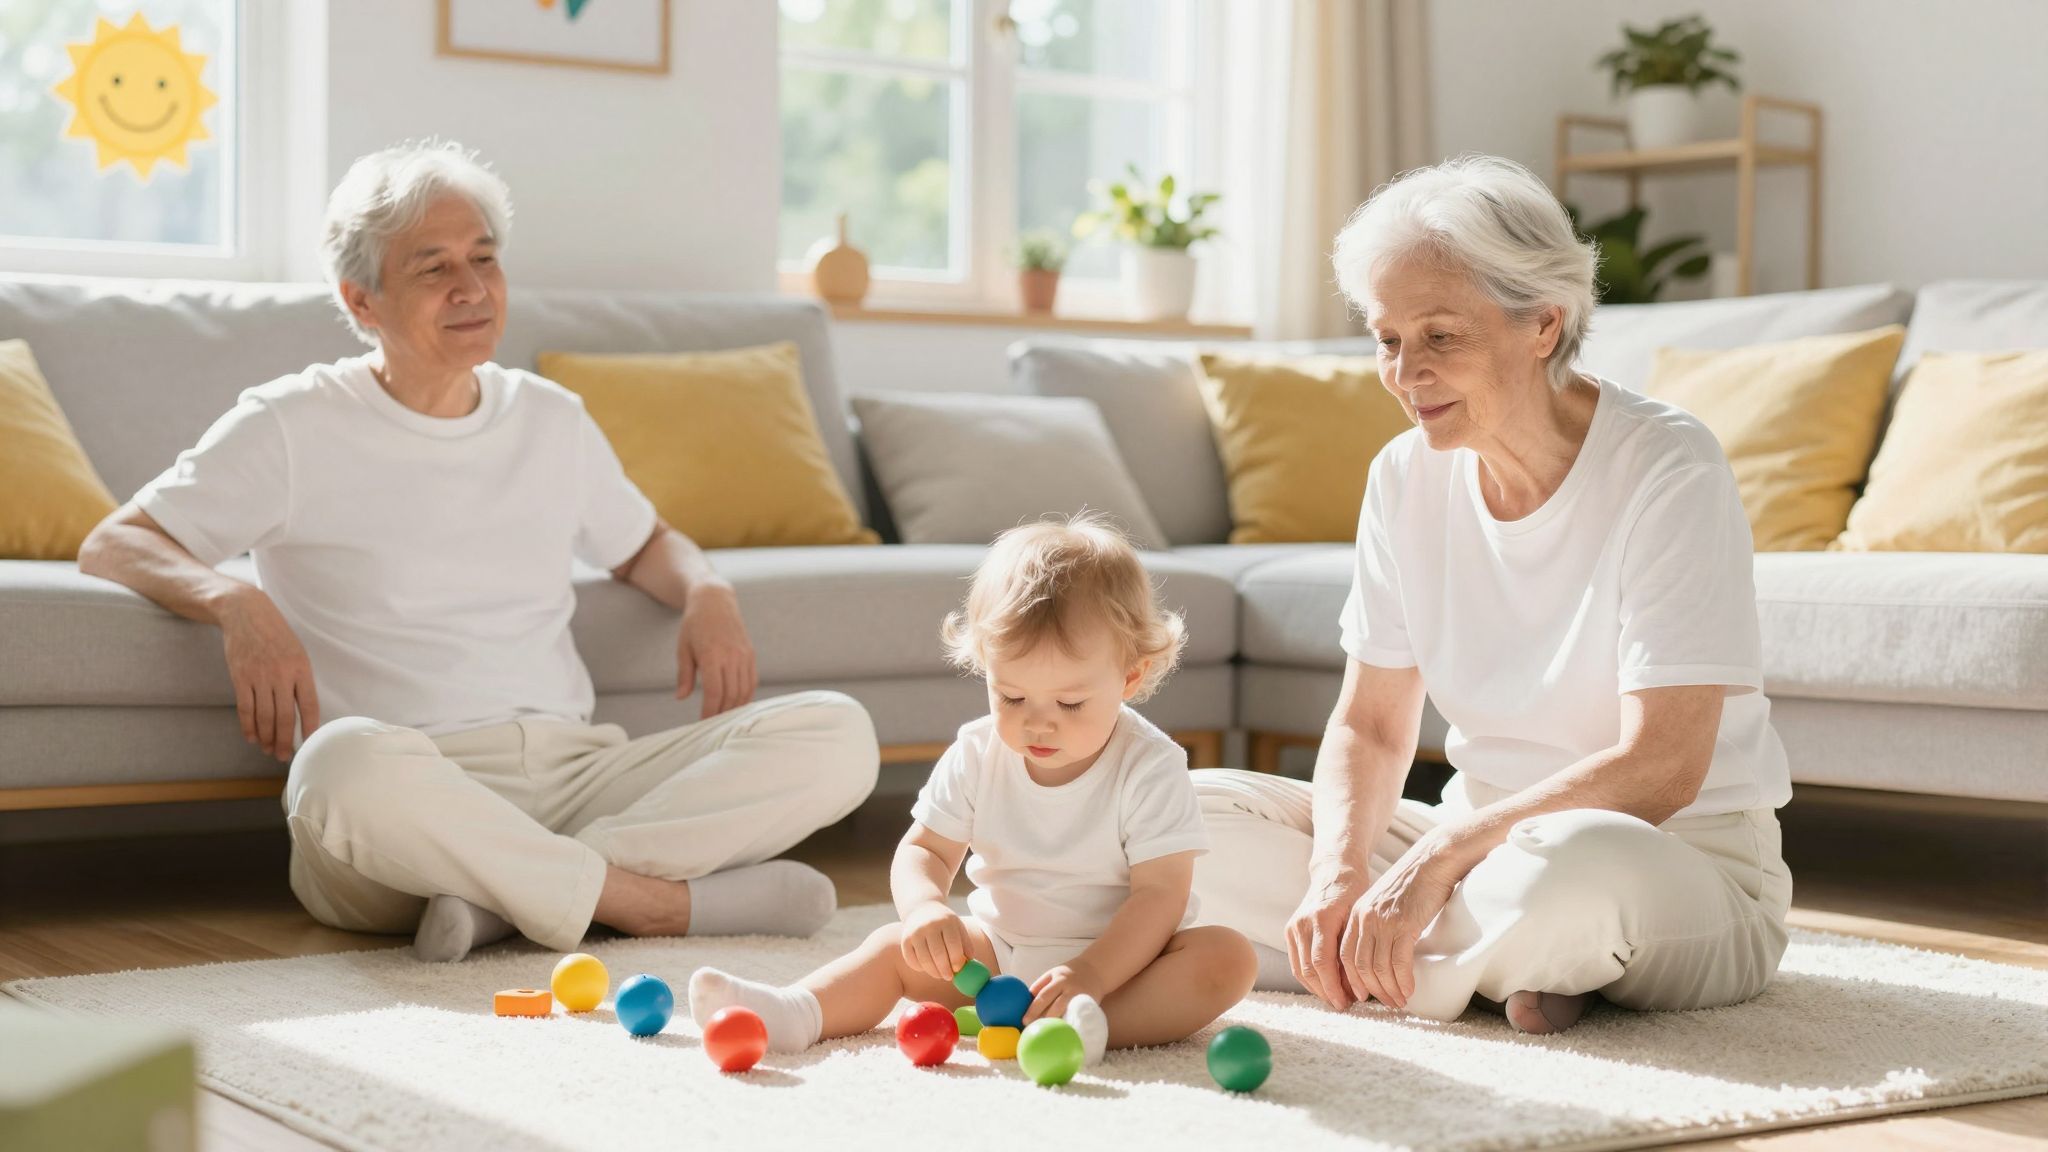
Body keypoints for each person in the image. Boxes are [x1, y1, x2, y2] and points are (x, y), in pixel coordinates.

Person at [78, 140, 880, 963]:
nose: (471, 287)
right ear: (361, 300)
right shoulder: (290, 423)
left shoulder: (550, 417)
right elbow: (116, 542)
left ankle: (505, 899)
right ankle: (648, 902)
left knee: (839, 732)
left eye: (484, 259)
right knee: (335, 765)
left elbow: (644, 545)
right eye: (433, 268)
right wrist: (236, 601)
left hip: (576, 777)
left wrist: (708, 590)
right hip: (407, 802)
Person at [1191, 155, 1794, 1034]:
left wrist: (1438, 858)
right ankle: (1488, 965)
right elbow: (1371, 725)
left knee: (1568, 880)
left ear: (1544, 324)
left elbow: (1664, 765)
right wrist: (1338, 872)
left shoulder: (1669, 466)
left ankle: (1394, 964)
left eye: (1440, 337)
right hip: (1469, 851)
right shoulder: (1402, 476)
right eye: (1388, 340)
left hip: (1666, 857)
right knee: (1184, 819)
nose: (1406, 373)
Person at [688, 515, 1256, 1061]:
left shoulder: (1151, 765)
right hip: (997, 962)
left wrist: (1092, 974)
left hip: (1123, 969)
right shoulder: (978, 751)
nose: (1038, 723)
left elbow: (1160, 896)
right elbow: (925, 850)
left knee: (1227, 958)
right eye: (1012, 696)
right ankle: (796, 1012)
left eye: (1069, 703)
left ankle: (1090, 1027)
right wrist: (923, 909)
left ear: (1130, 676)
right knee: (890, 946)